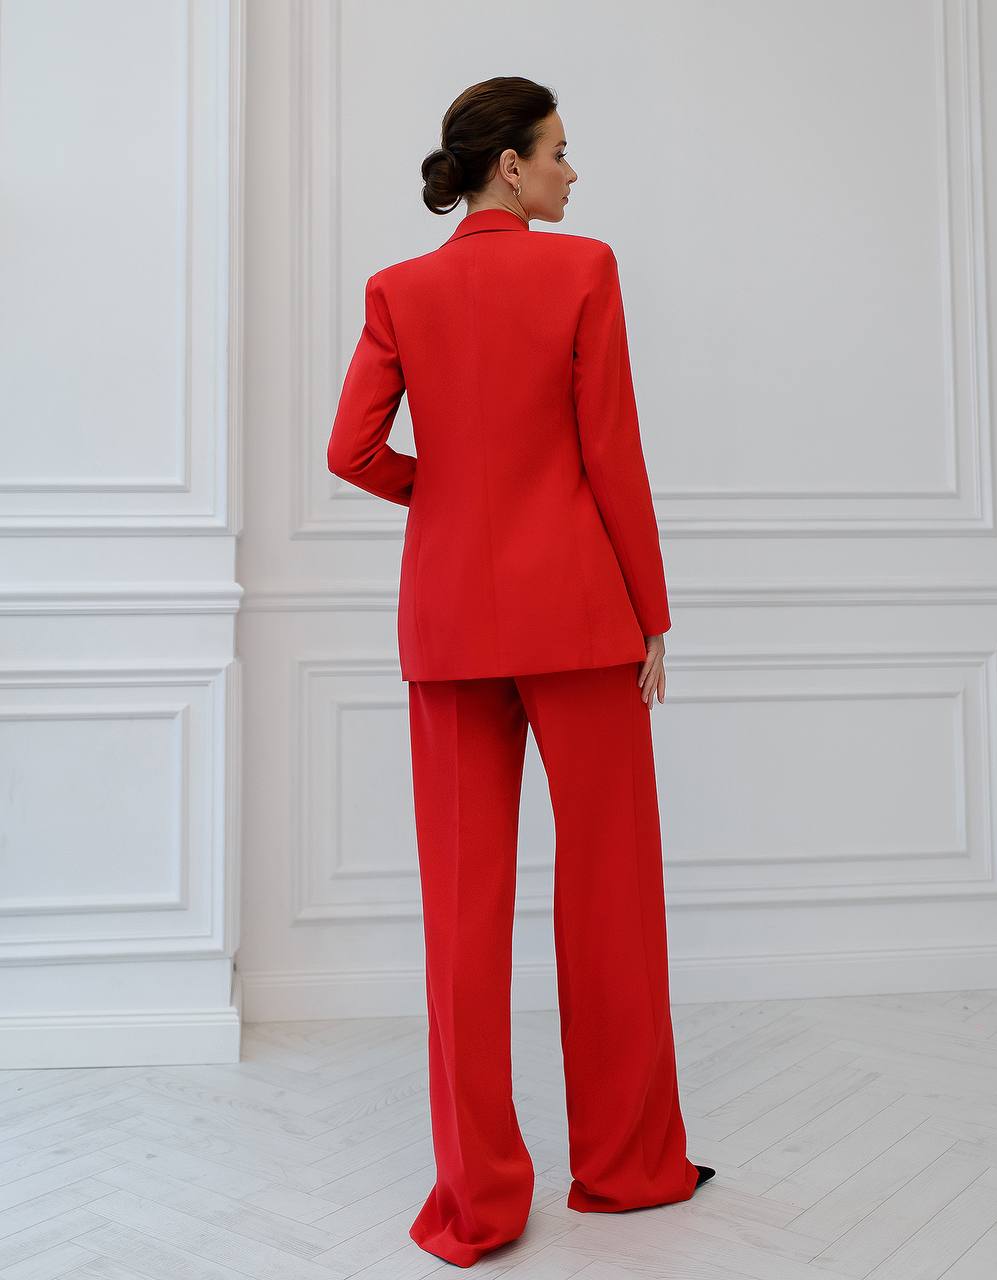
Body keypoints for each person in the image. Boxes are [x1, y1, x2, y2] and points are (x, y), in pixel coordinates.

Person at [326, 75, 714, 1270]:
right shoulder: (581, 269)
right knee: (608, 897)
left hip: (448, 629)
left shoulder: (400, 288)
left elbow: (349, 451)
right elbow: (612, 455)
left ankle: (478, 1201)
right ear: (509, 165)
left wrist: (435, 498)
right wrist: (652, 613)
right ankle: (626, 1165)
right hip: (582, 622)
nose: (571, 170)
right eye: (558, 150)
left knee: (461, 912)